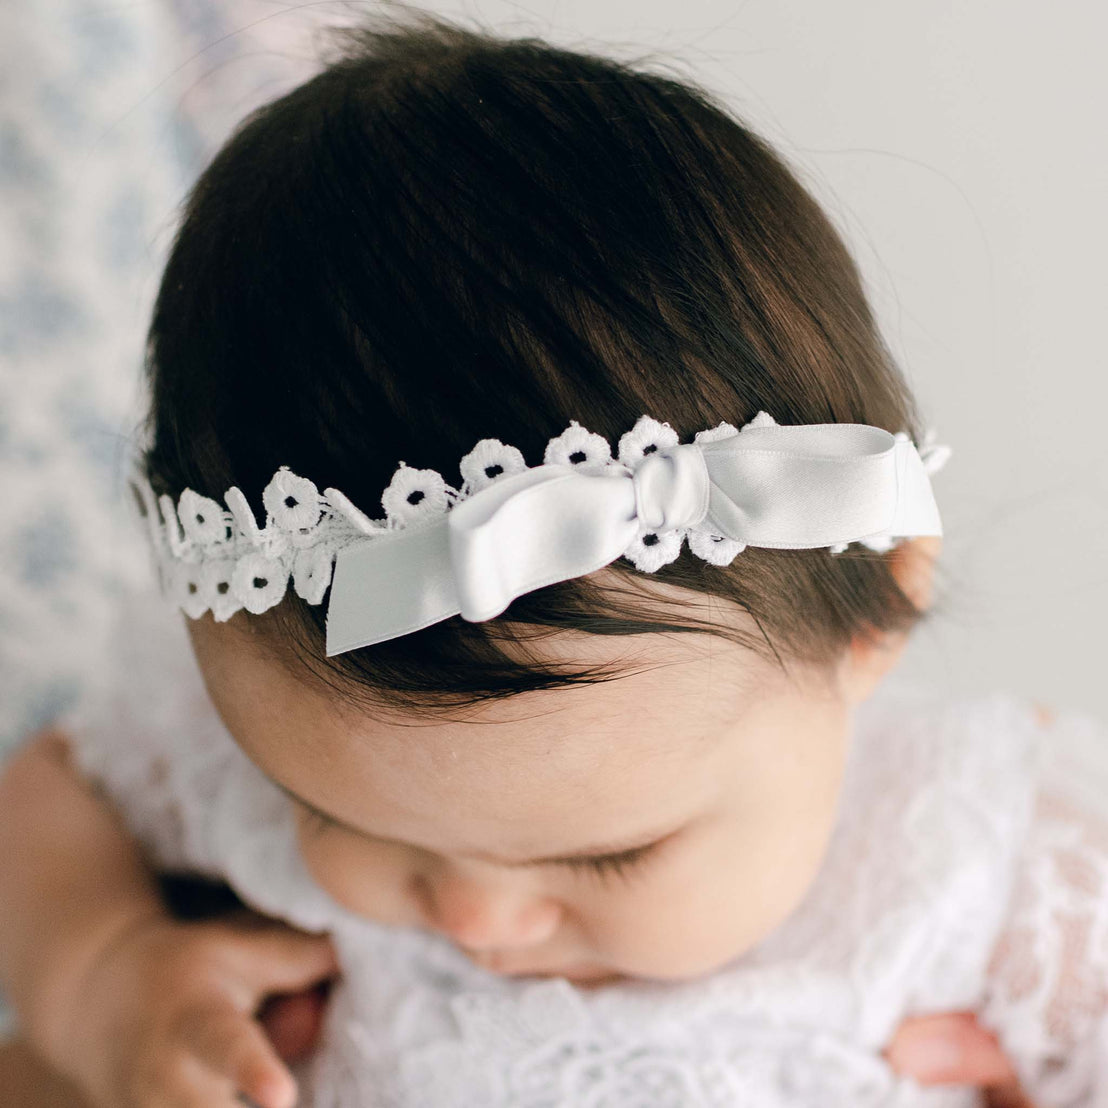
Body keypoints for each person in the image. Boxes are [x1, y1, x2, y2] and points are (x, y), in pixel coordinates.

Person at [1, 9, 1106, 1107]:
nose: (478, 921)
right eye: (343, 821)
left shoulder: (969, 854)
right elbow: (50, 791)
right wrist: (103, 974)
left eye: (612, 856)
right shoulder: (232, 752)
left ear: (877, 610)